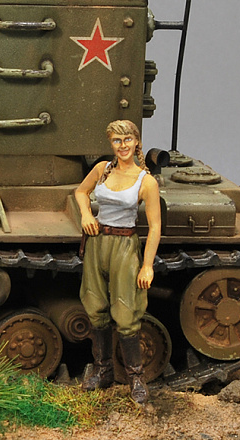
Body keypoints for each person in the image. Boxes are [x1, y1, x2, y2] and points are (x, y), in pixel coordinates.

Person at [74, 119, 161, 404]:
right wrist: (86, 214)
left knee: (126, 309)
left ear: (136, 142)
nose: (122, 146)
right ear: (111, 143)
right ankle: (103, 369)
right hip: (97, 241)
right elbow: (80, 191)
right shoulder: (102, 169)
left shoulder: (146, 181)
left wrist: (147, 265)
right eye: (116, 140)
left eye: (127, 140)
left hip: (124, 245)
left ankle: (136, 377)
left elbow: (155, 227)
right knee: (95, 303)